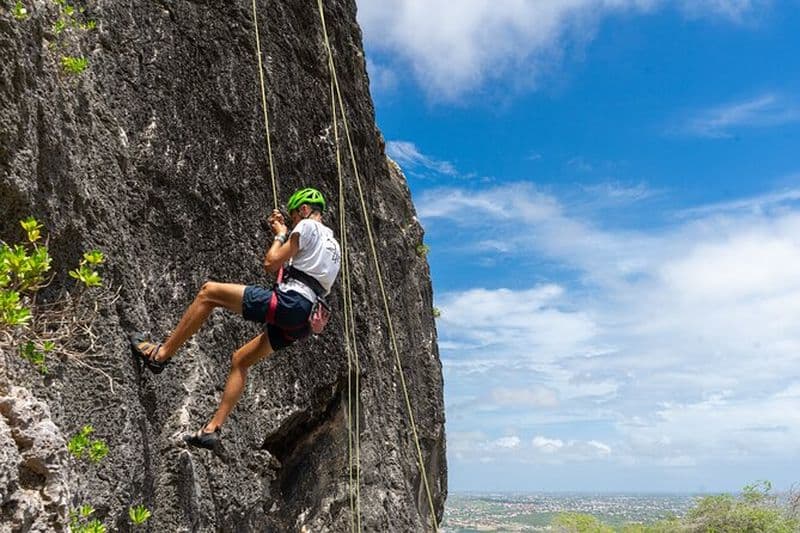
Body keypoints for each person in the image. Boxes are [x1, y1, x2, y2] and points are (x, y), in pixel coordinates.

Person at [130, 187, 341, 450]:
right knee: (241, 360)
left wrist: (282, 235)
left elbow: (271, 263)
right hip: (305, 320)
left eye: (295, 216)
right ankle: (211, 429)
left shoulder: (307, 226)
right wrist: (282, 234)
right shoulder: (334, 247)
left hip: (291, 303)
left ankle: (159, 356)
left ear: (304, 210)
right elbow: (300, 270)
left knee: (209, 293)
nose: (295, 221)